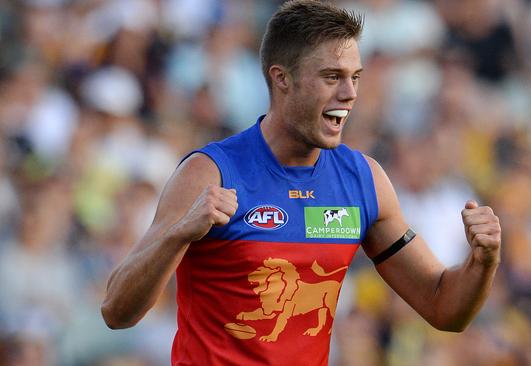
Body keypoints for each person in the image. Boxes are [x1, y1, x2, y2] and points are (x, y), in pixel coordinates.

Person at [101, 1, 501, 365]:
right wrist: (177, 235)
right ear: (282, 79)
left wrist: (482, 262)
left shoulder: (363, 181)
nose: (349, 94)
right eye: (332, 77)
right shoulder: (210, 172)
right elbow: (117, 312)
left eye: (355, 77)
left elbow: (444, 308)